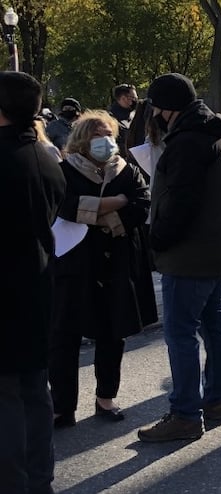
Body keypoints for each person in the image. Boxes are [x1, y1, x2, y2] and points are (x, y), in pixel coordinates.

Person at [136, 72, 221, 442]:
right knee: (215, 326)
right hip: (215, 248)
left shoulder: (188, 142)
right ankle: (217, 400)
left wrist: (156, 239)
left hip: (188, 254)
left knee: (181, 334)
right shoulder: (216, 134)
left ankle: (185, 414)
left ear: (166, 109)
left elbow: (180, 203)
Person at [48, 110, 156, 429]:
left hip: (117, 263)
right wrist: (115, 202)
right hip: (74, 264)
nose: (106, 141)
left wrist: (95, 210)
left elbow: (140, 204)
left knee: (113, 333)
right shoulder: (64, 170)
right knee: (64, 336)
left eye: (109, 133)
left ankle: (106, 397)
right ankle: (62, 406)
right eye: (98, 135)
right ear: (82, 139)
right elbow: (64, 206)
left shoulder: (126, 169)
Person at [0, 71, 66, 494]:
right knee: (35, 389)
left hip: (5, 289)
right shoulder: (45, 156)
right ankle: (39, 478)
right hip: (38, 282)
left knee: (6, 397)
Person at [109, 84, 138, 157]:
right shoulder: (110, 119)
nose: (136, 100)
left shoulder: (135, 114)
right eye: (133, 98)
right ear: (123, 98)